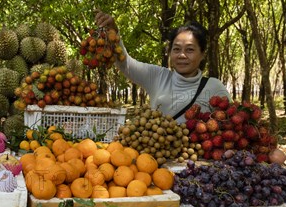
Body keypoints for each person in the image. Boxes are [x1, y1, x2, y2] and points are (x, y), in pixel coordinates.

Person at [95, 10, 231, 123]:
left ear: (202, 55)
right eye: (176, 49)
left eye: (190, 50)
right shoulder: (158, 76)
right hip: (154, 156)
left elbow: (233, 126)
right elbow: (126, 64)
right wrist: (113, 32)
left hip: (197, 156)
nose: (182, 55)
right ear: (170, 52)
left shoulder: (214, 87)